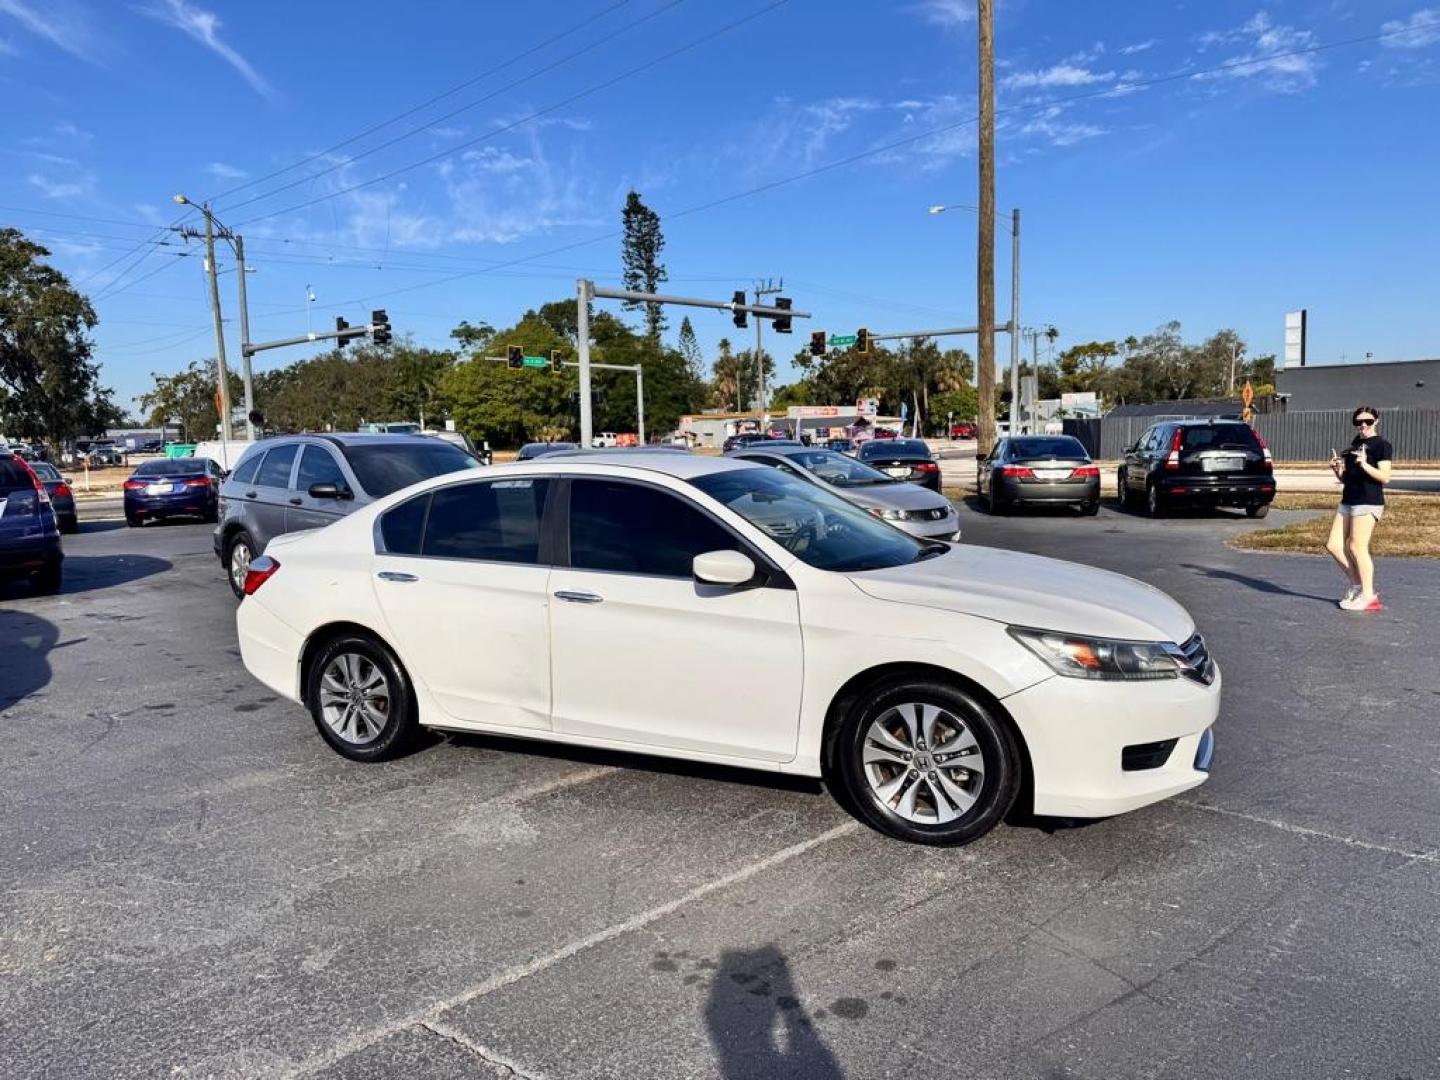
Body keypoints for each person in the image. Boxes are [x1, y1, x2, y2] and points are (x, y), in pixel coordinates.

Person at [1325, 406, 1393, 612]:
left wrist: (1364, 464)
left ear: (1376, 421)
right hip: (1348, 500)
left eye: (1368, 421)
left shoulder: (1382, 445)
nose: (1363, 425)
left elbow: (1385, 477)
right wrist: (1338, 471)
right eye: (1359, 422)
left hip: (1368, 500)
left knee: (1356, 547)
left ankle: (1369, 595)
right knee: (1333, 545)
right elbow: (1348, 479)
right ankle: (1357, 585)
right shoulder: (1355, 445)